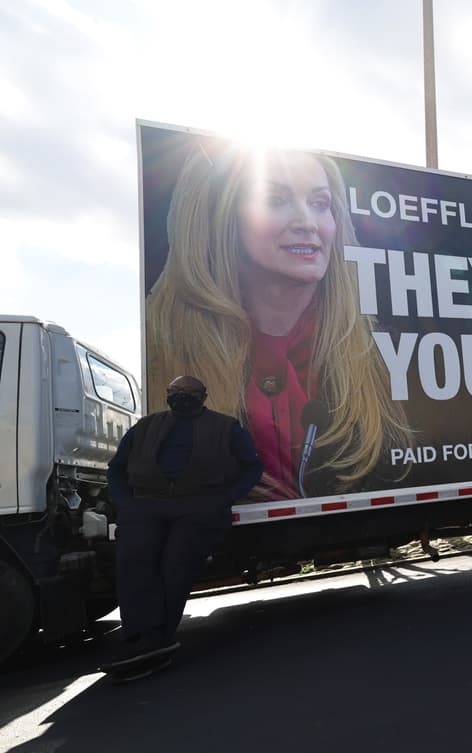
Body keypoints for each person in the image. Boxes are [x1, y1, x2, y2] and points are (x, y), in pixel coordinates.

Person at [145, 143, 412, 500]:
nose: (306, 223)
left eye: (320, 204)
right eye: (276, 200)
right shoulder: (163, 348)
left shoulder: (374, 356)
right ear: (220, 216)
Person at [105, 376, 263, 681]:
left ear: (203, 396)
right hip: (146, 505)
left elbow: (252, 466)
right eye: (176, 392)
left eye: (190, 393)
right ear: (167, 395)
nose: (183, 397)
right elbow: (116, 469)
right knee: (134, 560)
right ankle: (140, 635)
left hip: (198, 506)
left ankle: (158, 640)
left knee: (176, 563)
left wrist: (223, 498)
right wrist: (127, 504)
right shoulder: (146, 427)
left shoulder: (225, 427)